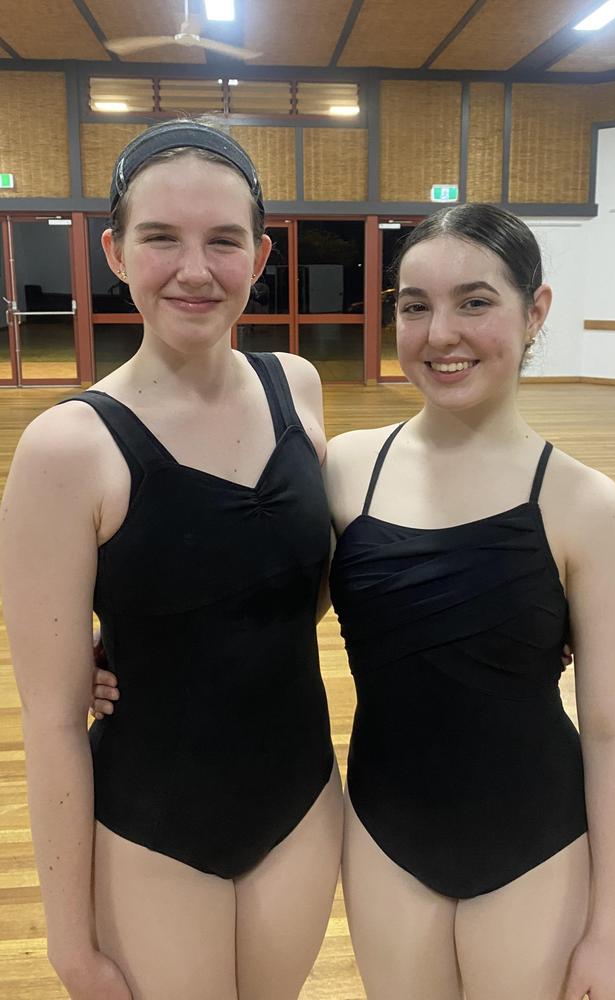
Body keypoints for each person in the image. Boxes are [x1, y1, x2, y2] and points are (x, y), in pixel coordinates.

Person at [0, 119, 343, 1000]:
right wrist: (70, 947)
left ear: (260, 254)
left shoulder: (296, 387)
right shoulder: (66, 449)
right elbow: (49, 724)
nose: (195, 269)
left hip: (302, 805)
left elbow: (300, 587)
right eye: (162, 239)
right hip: (153, 827)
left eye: (223, 241)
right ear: (115, 250)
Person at [323, 205, 615, 1000]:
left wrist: (611, 932)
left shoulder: (587, 506)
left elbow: (613, 732)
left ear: (534, 311)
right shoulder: (344, 472)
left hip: (534, 840)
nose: (440, 334)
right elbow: (258, 626)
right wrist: (115, 658)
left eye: (475, 302)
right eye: (414, 305)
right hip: (383, 831)